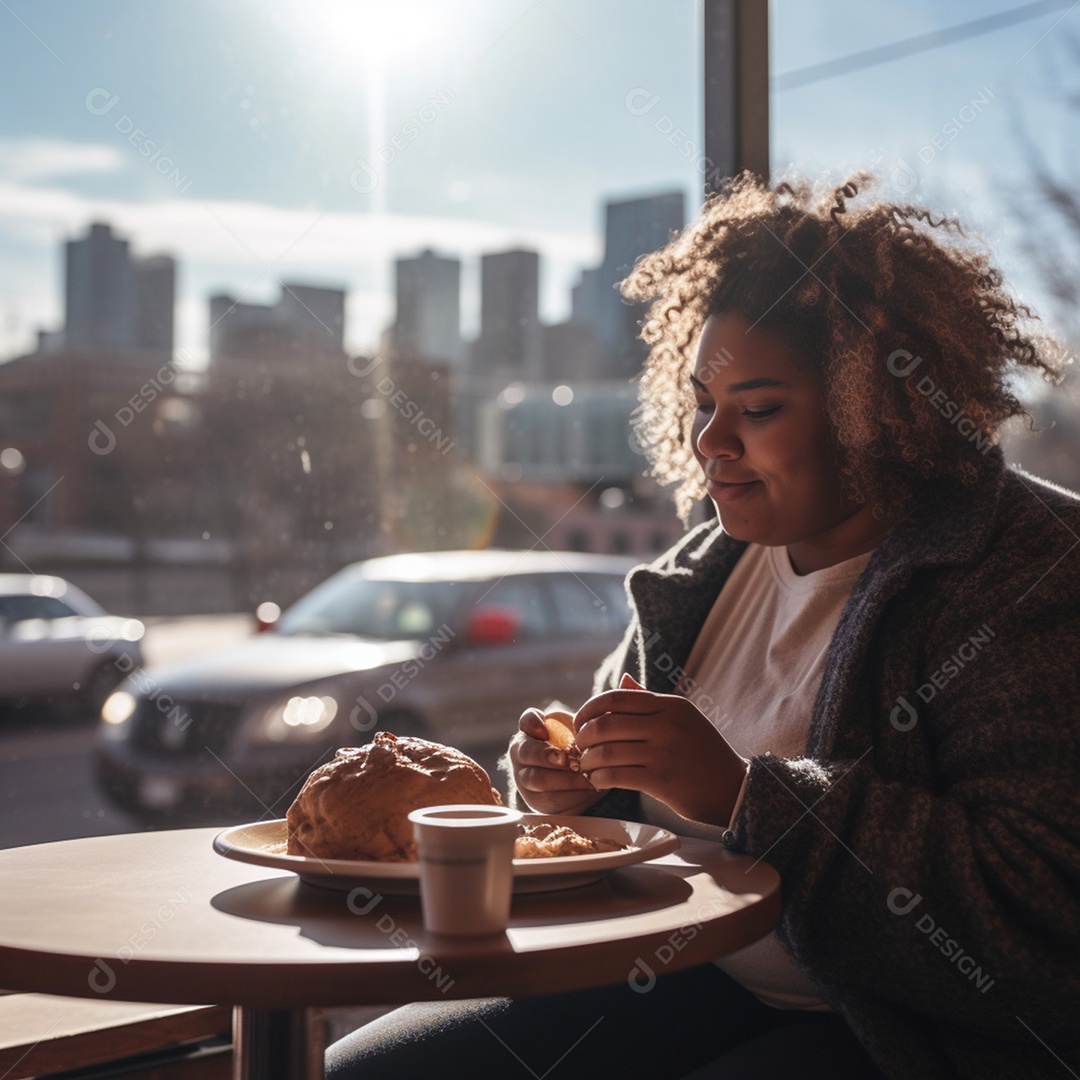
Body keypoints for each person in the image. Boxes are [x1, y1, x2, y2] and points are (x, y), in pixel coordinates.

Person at [326, 173, 1080, 1079]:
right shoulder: (704, 571)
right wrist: (573, 787)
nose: (708, 442)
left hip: (890, 1031)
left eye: (757, 410)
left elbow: (1041, 919)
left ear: (876, 408)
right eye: (701, 403)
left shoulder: (1022, 568)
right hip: (677, 975)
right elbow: (619, 790)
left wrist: (740, 795)